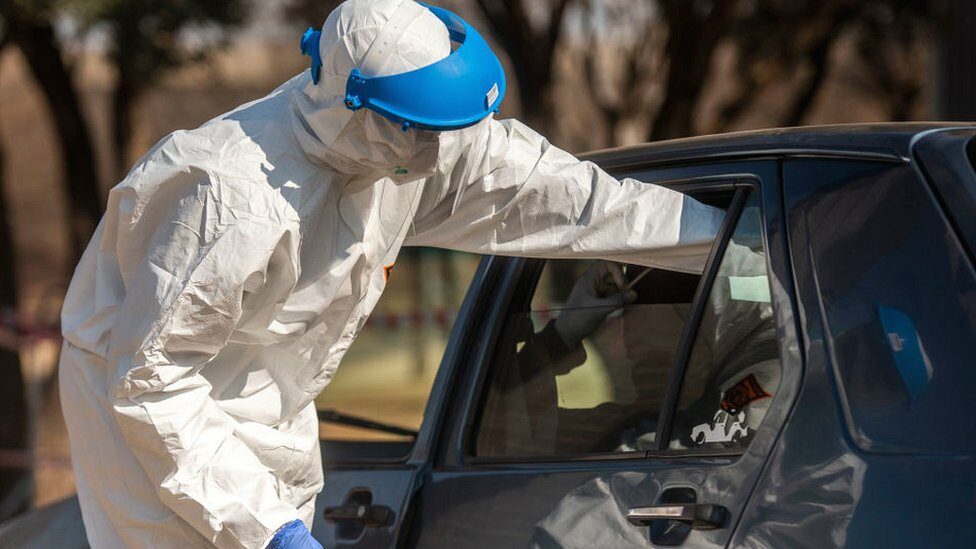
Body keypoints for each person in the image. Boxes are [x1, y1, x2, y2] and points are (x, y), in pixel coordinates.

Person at [58, 1, 724, 547]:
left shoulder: (396, 139)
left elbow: (558, 193)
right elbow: (151, 382)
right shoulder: (233, 200)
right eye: (422, 129)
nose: (440, 148)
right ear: (356, 109)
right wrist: (273, 532)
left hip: (273, 399)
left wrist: (721, 238)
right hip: (152, 423)